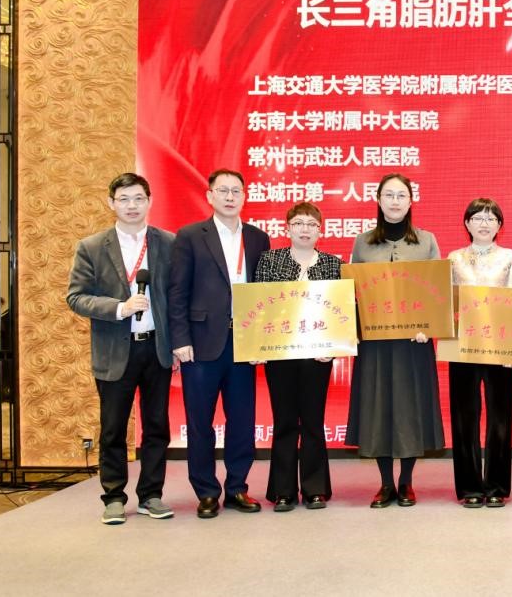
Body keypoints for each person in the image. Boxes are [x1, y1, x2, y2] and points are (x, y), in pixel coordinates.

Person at [66, 173, 176, 525]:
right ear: (111, 203)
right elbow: (76, 297)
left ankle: (151, 495)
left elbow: (178, 297)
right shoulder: (92, 246)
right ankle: (113, 497)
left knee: (157, 427)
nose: (132, 206)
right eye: (124, 199)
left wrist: (177, 343)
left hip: (156, 349)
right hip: (115, 350)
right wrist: (119, 308)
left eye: (139, 198)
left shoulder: (168, 243)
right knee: (113, 428)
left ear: (150, 201)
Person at [168, 168, 271, 519]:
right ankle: (207, 492)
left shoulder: (257, 238)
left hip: (243, 342)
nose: (229, 197)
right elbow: (177, 291)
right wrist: (180, 339)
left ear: (244, 196)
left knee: (242, 420)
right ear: (209, 195)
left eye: (236, 191)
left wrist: (262, 342)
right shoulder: (190, 236)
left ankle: (238, 487)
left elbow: (264, 294)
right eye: (222, 190)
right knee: (200, 421)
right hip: (201, 344)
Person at [346, 173, 444, 507]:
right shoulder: (362, 242)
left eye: (401, 195)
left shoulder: (427, 241)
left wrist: (428, 326)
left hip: (413, 342)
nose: (395, 201)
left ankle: (406, 482)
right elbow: (353, 292)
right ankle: (386, 483)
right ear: (378, 200)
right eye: (389, 195)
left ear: (411, 201)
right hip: (374, 342)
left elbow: (437, 292)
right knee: (379, 408)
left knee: (410, 409)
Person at [252, 202, 342, 512]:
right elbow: (260, 306)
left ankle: (316, 489)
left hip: (318, 355)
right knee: (285, 421)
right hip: (280, 354)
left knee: (314, 421)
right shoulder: (270, 260)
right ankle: (283, 490)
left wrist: (332, 346)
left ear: (320, 230)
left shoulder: (333, 264)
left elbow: (341, 311)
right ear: (287, 228)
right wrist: (258, 347)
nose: (305, 229)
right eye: (299, 223)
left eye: (311, 224)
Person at [446, 198, 512, 508]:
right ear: (467, 223)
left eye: (491, 218)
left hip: (500, 345)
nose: (484, 223)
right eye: (478, 217)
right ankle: (469, 488)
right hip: (462, 345)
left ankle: (496, 486)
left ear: (499, 225)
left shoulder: (510, 257)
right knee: (464, 418)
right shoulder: (453, 258)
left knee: (499, 418)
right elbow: (446, 303)